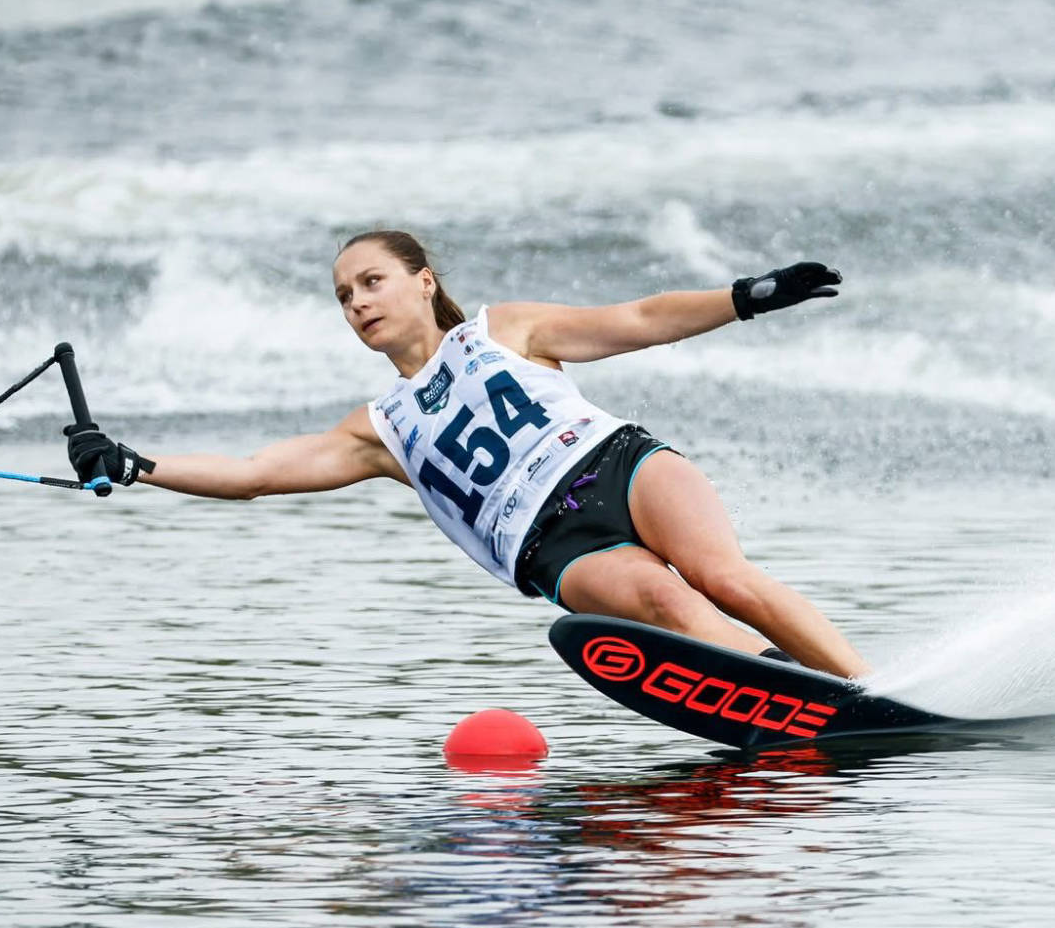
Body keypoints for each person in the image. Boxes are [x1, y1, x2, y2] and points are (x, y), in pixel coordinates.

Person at [63, 230, 872, 680]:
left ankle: (867, 687)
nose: (357, 302)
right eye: (344, 296)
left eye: (372, 281)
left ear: (423, 281)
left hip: (615, 465)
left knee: (725, 578)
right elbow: (254, 475)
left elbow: (638, 319)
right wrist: (138, 464)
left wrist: (746, 297)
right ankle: (804, 696)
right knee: (667, 604)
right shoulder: (379, 428)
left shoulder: (502, 329)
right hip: (553, 544)